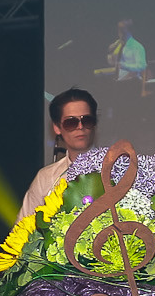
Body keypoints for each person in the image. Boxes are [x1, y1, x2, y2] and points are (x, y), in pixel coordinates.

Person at [17, 89, 97, 222]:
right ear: (57, 128)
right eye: (71, 122)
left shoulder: (116, 169)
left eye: (87, 120)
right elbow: (22, 228)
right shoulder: (46, 178)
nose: (80, 127)